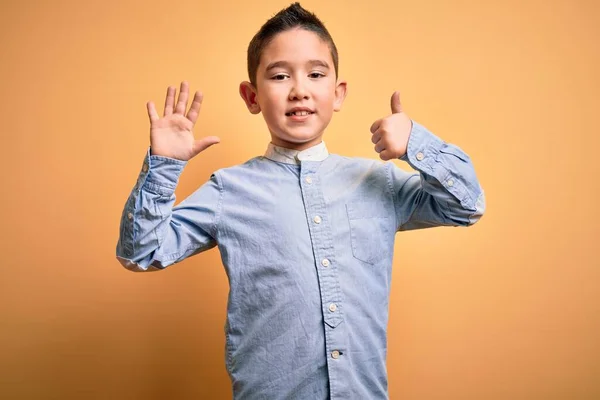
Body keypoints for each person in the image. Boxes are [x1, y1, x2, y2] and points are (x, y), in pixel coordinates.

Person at [116, 2, 485, 399]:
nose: (299, 90)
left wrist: (417, 143)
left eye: (315, 74)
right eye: (279, 75)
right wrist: (163, 166)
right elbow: (141, 252)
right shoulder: (230, 190)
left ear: (338, 93)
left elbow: (465, 205)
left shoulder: (379, 183)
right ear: (252, 96)